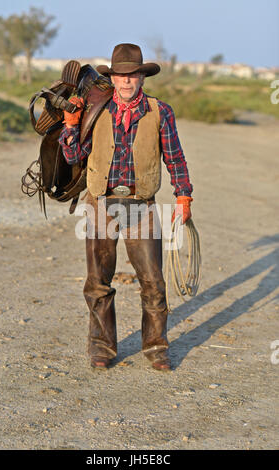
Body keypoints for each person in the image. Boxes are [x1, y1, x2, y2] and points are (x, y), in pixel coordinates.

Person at [58, 43, 193, 371]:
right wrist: (71, 126)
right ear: (113, 77)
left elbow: (174, 156)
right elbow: (74, 157)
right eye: (121, 74)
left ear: (142, 77)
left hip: (142, 205)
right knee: (98, 281)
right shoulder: (96, 109)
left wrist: (183, 195)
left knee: (153, 280)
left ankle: (157, 348)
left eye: (133, 74)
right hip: (100, 204)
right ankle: (102, 347)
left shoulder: (161, 111)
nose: (126, 81)